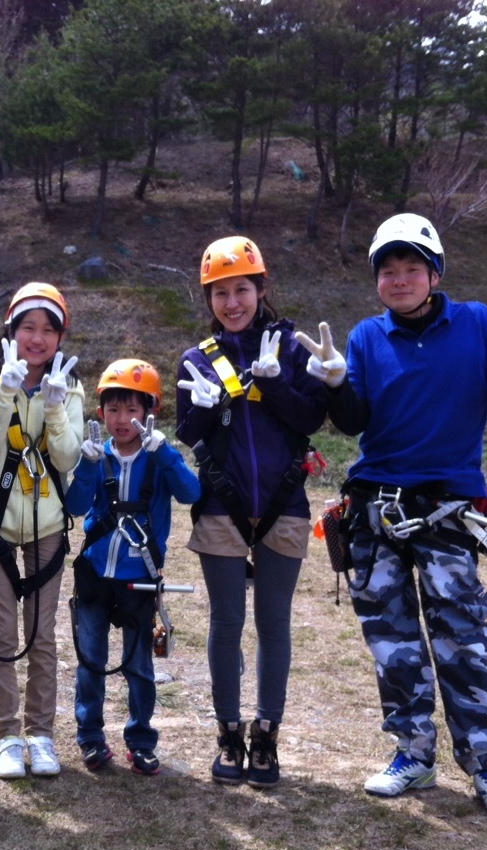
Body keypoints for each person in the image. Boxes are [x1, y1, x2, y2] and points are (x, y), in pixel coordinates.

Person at [296, 213, 487, 821]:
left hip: (448, 507)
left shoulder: (481, 324)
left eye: (412, 269)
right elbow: (353, 422)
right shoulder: (366, 338)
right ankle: (413, 752)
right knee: (392, 640)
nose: (399, 279)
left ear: (435, 275)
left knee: (464, 639)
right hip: (376, 507)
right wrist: (333, 384)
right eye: (388, 270)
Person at [175, 237, 328, 788]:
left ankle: (266, 734)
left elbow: (311, 418)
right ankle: (228, 733)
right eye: (220, 293)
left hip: (285, 503)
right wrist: (205, 408)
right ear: (209, 299)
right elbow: (185, 432)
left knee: (273, 622)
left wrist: (277, 384)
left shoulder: (294, 349)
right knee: (226, 622)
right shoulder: (197, 359)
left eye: (242, 289)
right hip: (221, 505)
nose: (232, 302)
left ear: (261, 289)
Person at [0, 283, 83, 779]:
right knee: (0, 634)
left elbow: (67, 458)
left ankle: (40, 733)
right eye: (28, 328)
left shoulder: (71, 388)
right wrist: (5, 392)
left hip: (48, 528)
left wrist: (55, 407)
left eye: (48, 330)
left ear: (59, 338)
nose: (37, 339)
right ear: (11, 333)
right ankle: (8, 736)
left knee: (41, 634)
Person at [65, 360, 201, 775]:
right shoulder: (96, 456)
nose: (122, 420)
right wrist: (86, 468)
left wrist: (166, 456)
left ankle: (140, 739)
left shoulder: (160, 457)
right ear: (100, 413)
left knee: (139, 667)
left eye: (132, 410)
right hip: (94, 578)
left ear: (149, 412)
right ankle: (90, 737)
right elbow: (74, 507)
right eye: (112, 410)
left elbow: (191, 492)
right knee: (91, 663)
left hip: (138, 582)